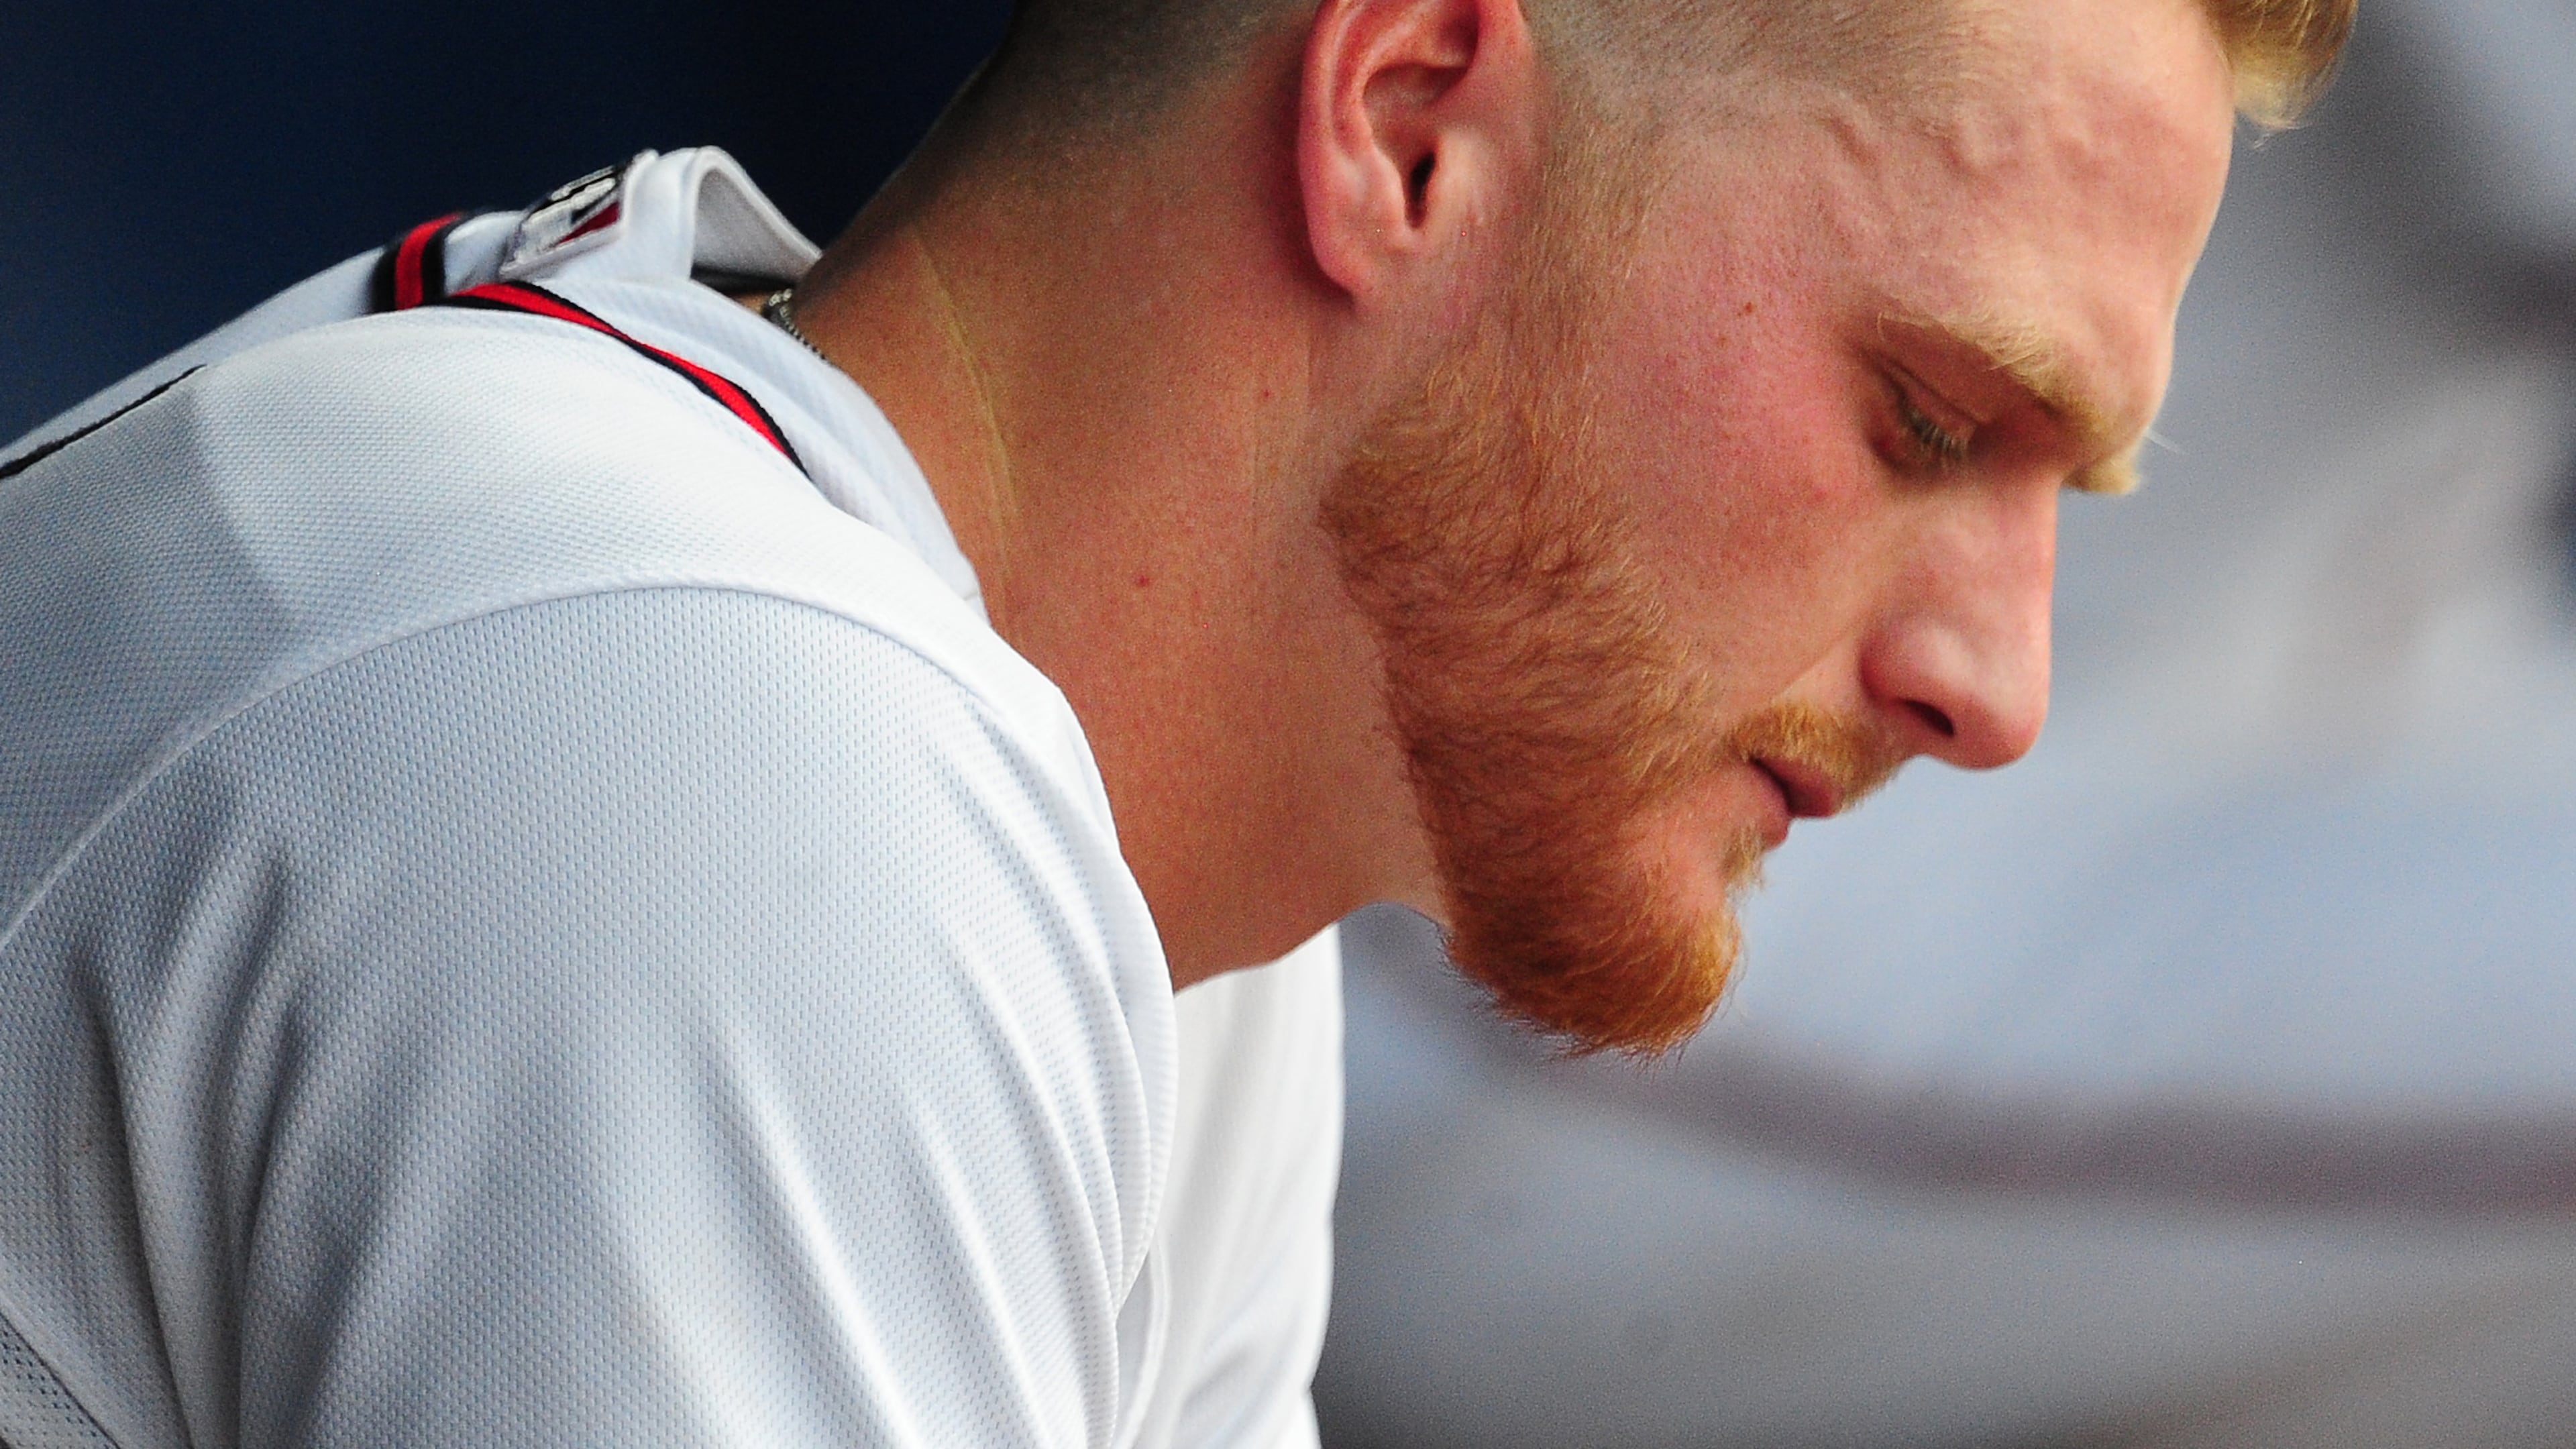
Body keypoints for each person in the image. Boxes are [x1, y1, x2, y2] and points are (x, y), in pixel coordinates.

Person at [0, 0, 2347, 1445]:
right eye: (1929, 419)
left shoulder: (1112, 876)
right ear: (1410, 122)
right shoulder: (709, 726)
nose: (1999, 691)